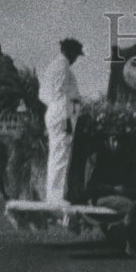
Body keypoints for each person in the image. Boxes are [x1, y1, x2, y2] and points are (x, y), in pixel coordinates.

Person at [41, 38, 83, 203]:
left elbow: (43, 94)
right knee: (59, 156)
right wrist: (65, 117)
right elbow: (60, 95)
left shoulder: (56, 66)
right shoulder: (62, 66)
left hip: (57, 112)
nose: (75, 59)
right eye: (75, 55)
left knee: (58, 155)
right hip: (61, 114)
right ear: (70, 52)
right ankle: (55, 197)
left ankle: (54, 194)